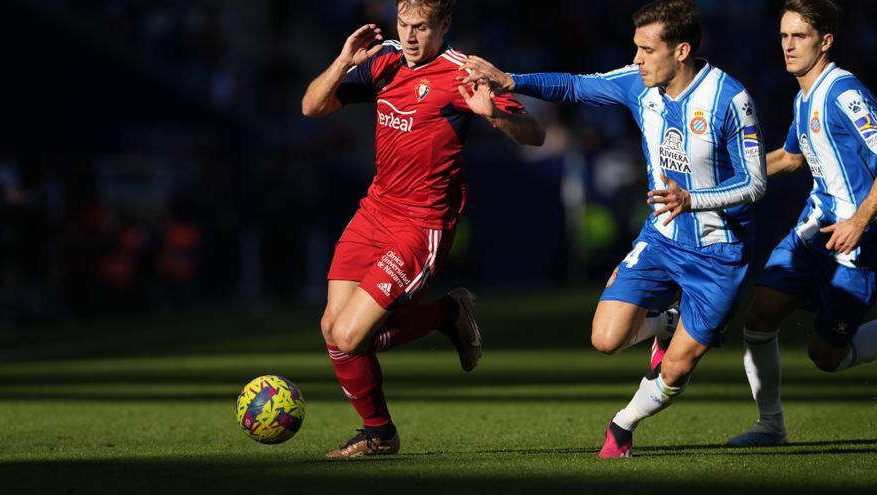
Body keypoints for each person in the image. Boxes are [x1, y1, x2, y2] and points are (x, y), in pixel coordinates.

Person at [460, 0, 766, 457]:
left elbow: (755, 182)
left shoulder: (729, 99)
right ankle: (667, 320)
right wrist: (511, 80)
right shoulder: (637, 84)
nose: (637, 59)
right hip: (663, 238)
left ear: (681, 50)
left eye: (647, 49)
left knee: (678, 368)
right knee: (605, 339)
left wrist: (693, 199)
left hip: (719, 252)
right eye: (635, 48)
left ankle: (622, 426)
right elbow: (575, 86)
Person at [301, 0, 544, 458]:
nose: (410, 37)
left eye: (422, 27)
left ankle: (440, 325)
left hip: (421, 223)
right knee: (333, 329)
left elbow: (535, 134)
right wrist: (342, 62)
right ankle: (382, 433)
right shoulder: (385, 60)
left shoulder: (462, 73)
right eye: (404, 24)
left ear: (445, 25)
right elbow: (311, 107)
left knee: (353, 338)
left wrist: (492, 112)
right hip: (374, 212)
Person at [727, 0, 877, 447]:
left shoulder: (844, 93)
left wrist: (861, 218)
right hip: (812, 232)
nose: (787, 46)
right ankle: (770, 425)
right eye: (783, 36)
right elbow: (791, 157)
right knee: (759, 314)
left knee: (825, 357)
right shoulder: (803, 96)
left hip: (855, 242)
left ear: (825, 41)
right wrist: (718, 184)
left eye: (799, 37)